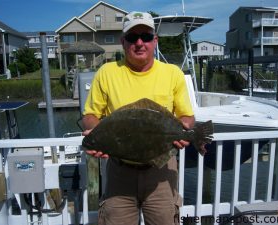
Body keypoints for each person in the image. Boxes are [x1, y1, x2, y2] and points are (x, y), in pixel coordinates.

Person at [82, 11, 195, 225]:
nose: (140, 43)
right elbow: (90, 116)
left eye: (146, 36)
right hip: (119, 173)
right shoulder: (106, 72)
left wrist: (185, 131)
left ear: (155, 41)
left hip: (162, 172)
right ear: (123, 42)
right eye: (133, 38)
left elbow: (187, 117)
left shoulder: (172, 73)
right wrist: (96, 133)